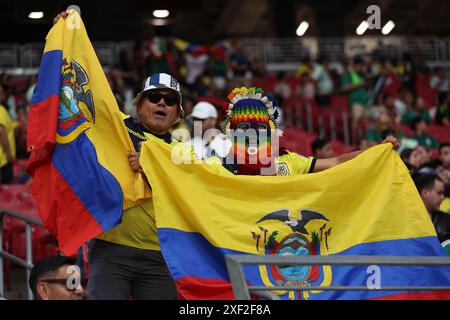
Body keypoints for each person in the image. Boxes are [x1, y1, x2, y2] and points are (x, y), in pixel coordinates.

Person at [54, 11, 180, 300]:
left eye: (170, 100)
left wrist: (153, 168)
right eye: (154, 97)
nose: (162, 102)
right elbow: (80, 95)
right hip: (111, 249)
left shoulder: (184, 150)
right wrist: (67, 36)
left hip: (161, 256)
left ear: (176, 113)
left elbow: (189, 192)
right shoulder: (115, 129)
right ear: (139, 105)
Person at [208, 87, 399, 176]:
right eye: (243, 129)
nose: (252, 135)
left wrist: (376, 150)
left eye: (260, 129)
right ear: (231, 133)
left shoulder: (289, 162)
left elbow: (338, 161)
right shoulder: (216, 168)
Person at [412, 174, 450, 247]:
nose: (443, 197)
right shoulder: (408, 219)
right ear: (425, 193)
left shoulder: (447, 219)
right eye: (439, 193)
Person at [0, 85, 16, 184]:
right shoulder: (1, 110)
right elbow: (1, 132)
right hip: (3, 161)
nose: (3, 94)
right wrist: (9, 155)